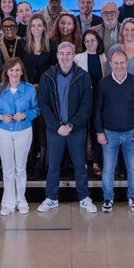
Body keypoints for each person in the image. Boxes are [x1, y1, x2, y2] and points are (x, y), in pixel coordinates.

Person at [36, 42, 97, 213]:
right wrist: (57, 126)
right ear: (57, 55)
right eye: (61, 53)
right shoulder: (47, 76)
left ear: (74, 55)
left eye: (68, 53)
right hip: (55, 130)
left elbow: (86, 105)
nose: (65, 57)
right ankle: (51, 198)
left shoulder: (83, 76)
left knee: (80, 165)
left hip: (76, 130)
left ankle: (84, 197)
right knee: (53, 166)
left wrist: (71, 124)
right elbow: (43, 104)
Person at [96, 50, 134, 213]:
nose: (119, 66)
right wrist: (99, 131)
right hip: (109, 134)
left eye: (122, 63)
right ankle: (108, 199)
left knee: (133, 168)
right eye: (115, 63)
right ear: (110, 64)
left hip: (131, 133)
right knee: (108, 169)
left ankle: (133, 197)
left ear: (127, 63)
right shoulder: (103, 83)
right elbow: (97, 109)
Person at [0, 58, 39, 215]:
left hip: (23, 130)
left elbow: (37, 109)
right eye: (11, 70)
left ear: (22, 72)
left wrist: (25, 114)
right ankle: (8, 202)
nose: (14, 73)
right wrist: (1, 117)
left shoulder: (30, 89)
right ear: (6, 72)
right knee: (8, 168)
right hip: (4, 131)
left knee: (20, 168)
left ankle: (21, 199)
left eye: (17, 70)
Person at [75, 29, 109, 176]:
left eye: (92, 40)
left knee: (97, 130)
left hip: (100, 100)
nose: (90, 43)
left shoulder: (105, 58)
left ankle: (96, 161)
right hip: (83, 100)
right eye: (87, 41)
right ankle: (81, 161)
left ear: (98, 42)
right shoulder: (77, 58)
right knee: (81, 130)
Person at [21, 14, 57, 86]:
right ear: (29, 27)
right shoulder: (21, 43)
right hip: (25, 85)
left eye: (39, 26)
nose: (36, 28)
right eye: (33, 26)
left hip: (46, 85)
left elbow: (54, 68)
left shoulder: (52, 45)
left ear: (44, 27)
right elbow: (19, 66)